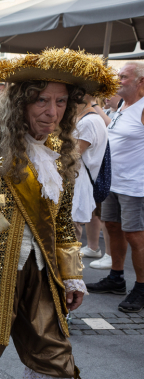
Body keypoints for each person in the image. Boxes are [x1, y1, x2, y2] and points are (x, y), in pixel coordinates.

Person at [0, 48, 118, 379]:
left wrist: (73, 274)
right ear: (20, 102)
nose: (52, 112)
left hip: (42, 273)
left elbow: (61, 223)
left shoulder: (61, 152)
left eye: (61, 102)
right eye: (42, 101)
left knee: (55, 360)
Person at [86, 62, 144, 312]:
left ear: (140, 81)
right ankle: (116, 278)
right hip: (114, 181)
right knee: (113, 227)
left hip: (136, 185)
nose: (118, 80)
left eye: (123, 76)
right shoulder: (122, 105)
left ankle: (142, 287)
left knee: (135, 236)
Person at [71, 95, 110, 266]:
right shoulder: (87, 118)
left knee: (68, 242)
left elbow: (70, 156)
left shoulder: (89, 121)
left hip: (77, 185)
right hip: (76, 184)